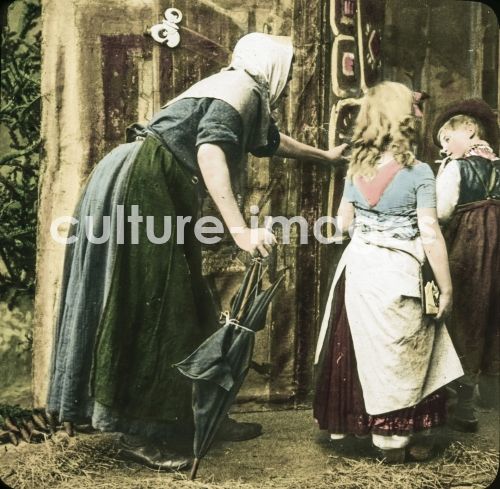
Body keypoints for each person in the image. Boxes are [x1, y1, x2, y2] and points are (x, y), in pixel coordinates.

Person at [46, 32, 347, 470]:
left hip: (152, 179)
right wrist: (241, 231)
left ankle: (203, 415)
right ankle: (138, 433)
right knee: (157, 305)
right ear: (271, 63)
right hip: (145, 182)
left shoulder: (238, 88)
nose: (293, 72)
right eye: (291, 63)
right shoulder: (240, 89)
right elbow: (209, 152)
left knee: (190, 303)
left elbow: (270, 141)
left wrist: (325, 157)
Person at [313, 81, 463, 463]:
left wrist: (371, 224)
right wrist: (446, 288)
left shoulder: (356, 168)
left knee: (363, 351)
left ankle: (363, 433)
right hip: (400, 271)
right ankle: (400, 438)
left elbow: (343, 224)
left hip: (361, 272)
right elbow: (430, 234)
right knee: (407, 352)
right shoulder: (419, 173)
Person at [432, 99, 500, 431]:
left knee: (465, 316)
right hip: (497, 251)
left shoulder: (456, 169)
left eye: (447, 139)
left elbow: (442, 212)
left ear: (470, 130)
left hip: (468, 249)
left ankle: (463, 406)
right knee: (491, 315)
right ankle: (483, 396)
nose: (444, 148)